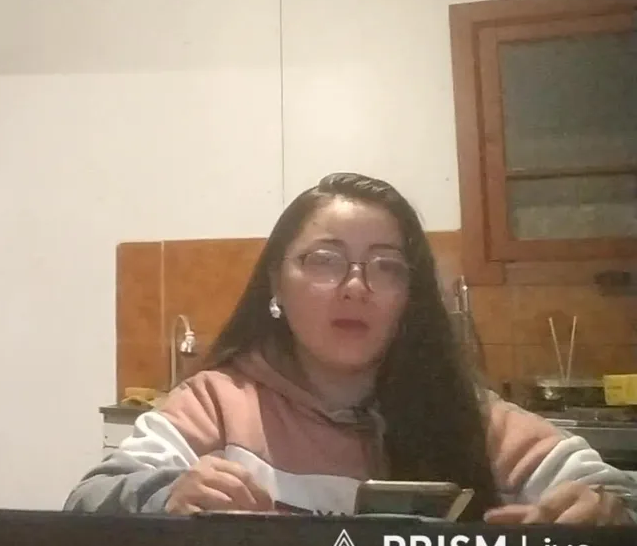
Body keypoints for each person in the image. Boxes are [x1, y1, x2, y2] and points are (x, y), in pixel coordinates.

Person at [65, 173, 635, 524]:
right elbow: (88, 500)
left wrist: (604, 512)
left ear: (408, 298)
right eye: (325, 260)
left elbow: (616, 493)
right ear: (276, 284)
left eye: (386, 266)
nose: (356, 286)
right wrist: (166, 496)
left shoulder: (468, 416)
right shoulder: (216, 404)